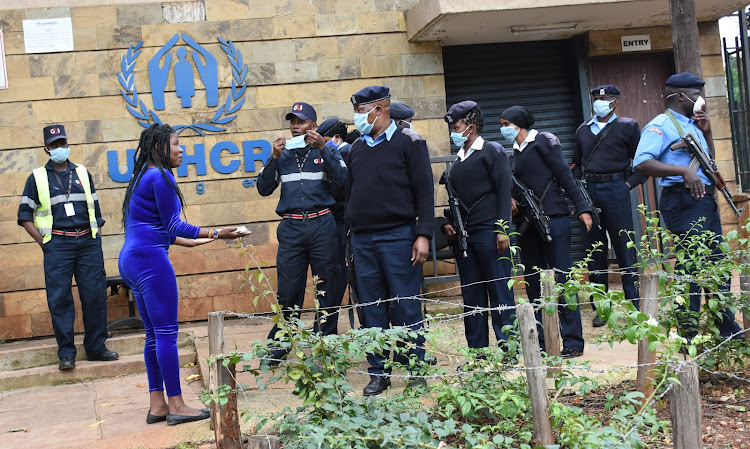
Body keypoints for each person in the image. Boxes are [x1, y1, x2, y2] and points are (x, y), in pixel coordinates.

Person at [119, 124, 248, 426]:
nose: (181, 149)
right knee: (166, 334)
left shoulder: (142, 175)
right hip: (151, 261)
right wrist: (217, 231)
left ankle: (158, 404)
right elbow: (173, 225)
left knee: (153, 335)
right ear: (159, 147)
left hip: (132, 259)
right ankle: (177, 404)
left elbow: (151, 225)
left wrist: (200, 239)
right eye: (176, 144)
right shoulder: (161, 176)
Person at [633, 72, 741, 340]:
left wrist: (707, 133)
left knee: (715, 263)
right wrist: (682, 170)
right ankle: (688, 333)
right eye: (695, 95)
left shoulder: (692, 125)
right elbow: (641, 162)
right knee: (691, 267)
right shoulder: (659, 126)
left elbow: (706, 165)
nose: (700, 100)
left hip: (702, 200)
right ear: (680, 96)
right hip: (682, 200)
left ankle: (726, 328)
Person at [346, 85, 434, 395]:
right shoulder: (356, 148)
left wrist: (423, 234)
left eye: (360, 113)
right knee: (372, 309)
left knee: (407, 305)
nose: (357, 119)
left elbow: (425, 189)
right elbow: (351, 191)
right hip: (363, 240)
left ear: (379, 110)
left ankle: (416, 370)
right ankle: (378, 373)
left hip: (398, 236)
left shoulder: (410, 142)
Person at [17, 124, 119, 371]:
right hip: (58, 245)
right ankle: (66, 354)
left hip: (87, 243)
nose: (60, 148)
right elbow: (24, 216)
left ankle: (96, 348)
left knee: (94, 296)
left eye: (63, 143)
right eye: (54, 145)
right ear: (46, 149)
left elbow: (96, 211)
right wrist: (45, 244)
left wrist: (95, 239)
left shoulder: (83, 173)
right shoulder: (37, 177)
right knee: (60, 299)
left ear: (68, 144)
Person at [257, 102, 347, 364]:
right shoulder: (281, 155)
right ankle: (284, 342)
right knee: (288, 289)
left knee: (327, 285)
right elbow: (263, 188)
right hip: (292, 227)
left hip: (322, 224)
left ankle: (324, 342)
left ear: (314, 126)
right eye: (293, 122)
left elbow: (343, 180)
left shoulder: (325, 150)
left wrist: (324, 148)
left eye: (302, 122)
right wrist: (273, 158)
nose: (296, 127)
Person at [501, 105, 593, 358]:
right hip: (526, 225)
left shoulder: (542, 142)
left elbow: (565, 175)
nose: (503, 129)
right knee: (532, 283)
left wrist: (583, 207)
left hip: (554, 219)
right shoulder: (512, 156)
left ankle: (573, 340)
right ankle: (541, 341)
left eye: (506, 124)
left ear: (519, 124)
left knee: (562, 280)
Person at [440, 101, 516, 353]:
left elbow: (504, 193)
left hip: (490, 231)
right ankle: (478, 351)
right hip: (465, 235)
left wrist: (503, 228)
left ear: (470, 127)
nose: (453, 130)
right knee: (472, 295)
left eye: (456, 125)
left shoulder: (492, 151)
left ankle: (508, 348)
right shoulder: (460, 158)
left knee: (499, 290)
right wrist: (450, 225)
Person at [572, 85, 647, 327]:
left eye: (604, 98)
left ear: (615, 102)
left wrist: (627, 185)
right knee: (594, 251)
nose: (599, 102)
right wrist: (580, 195)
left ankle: (634, 304)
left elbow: (644, 161)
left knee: (625, 246)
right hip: (590, 191)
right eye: (596, 98)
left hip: (617, 189)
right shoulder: (583, 130)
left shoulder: (628, 126)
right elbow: (576, 165)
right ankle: (602, 307)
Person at [316, 117, 351, 326]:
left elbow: (339, 188)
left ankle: (325, 327)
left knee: (336, 277)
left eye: (326, 139)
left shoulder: (345, 153)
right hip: (338, 221)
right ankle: (323, 326)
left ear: (336, 138)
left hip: (341, 221)